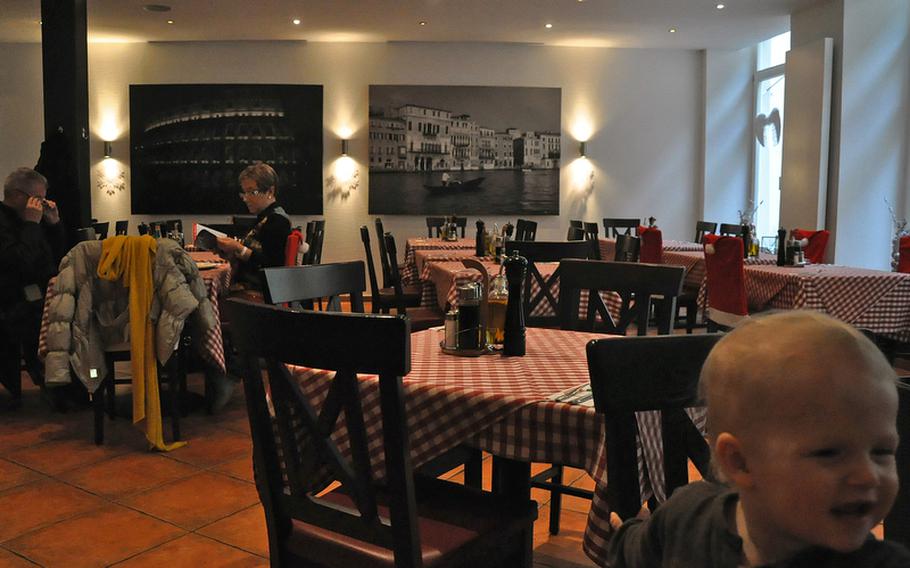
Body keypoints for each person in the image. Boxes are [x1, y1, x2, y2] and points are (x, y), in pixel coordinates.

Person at [607, 311, 910, 567]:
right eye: (830, 453)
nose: (868, 476)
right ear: (740, 461)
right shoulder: (685, 518)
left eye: (882, 451)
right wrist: (625, 533)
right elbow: (632, 549)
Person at [0, 167, 65, 409]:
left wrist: (54, 224)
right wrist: (31, 225)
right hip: (11, 298)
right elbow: (18, 264)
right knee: (47, 321)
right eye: (38, 198)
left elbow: (58, 258)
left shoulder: (34, 222)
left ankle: (69, 383)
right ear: (18, 196)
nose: (42, 204)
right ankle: (54, 383)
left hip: (41, 293)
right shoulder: (10, 222)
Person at [216, 162, 291, 297]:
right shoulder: (265, 217)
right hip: (251, 286)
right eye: (244, 192)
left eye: (251, 192)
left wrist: (239, 248)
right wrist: (234, 252)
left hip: (260, 293)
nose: (245, 198)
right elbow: (256, 254)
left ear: (270, 191)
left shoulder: (277, 221)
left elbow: (272, 264)